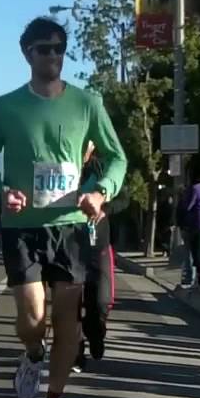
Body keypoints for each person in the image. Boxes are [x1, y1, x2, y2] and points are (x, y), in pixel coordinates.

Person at [0, 17, 127, 398]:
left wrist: (100, 191)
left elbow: (117, 158)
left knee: (67, 320)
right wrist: (0, 188)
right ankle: (31, 354)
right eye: (44, 48)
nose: (53, 55)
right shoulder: (5, 106)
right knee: (31, 316)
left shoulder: (87, 102)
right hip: (22, 225)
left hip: (71, 226)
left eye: (59, 47)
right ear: (27, 53)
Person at [77, 140, 116, 372]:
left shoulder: (101, 168)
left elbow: (124, 197)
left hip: (98, 243)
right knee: (70, 302)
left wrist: (103, 207)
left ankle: (96, 334)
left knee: (99, 301)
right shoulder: (63, 168)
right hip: (71, 242)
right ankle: (75, 352)